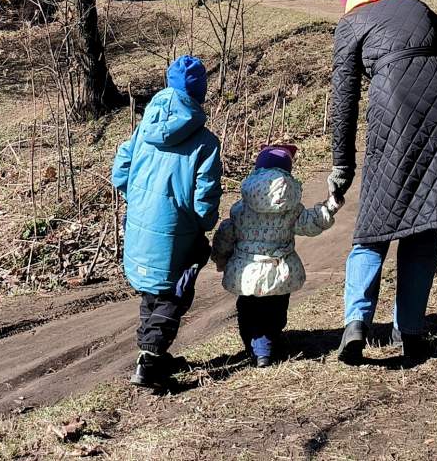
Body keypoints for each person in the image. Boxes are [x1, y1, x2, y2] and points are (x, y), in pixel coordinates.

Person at [328, 0, 437, 365]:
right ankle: (411, 331)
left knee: (373, 228)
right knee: (424, 223)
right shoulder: (419, 8)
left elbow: (343, 102)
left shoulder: (351, 24)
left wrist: (342, 166)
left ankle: (356, 323)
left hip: (391, 117)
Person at [111, 55, 222, 387]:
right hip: (178, 231)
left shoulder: (144, 128)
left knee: (152, 289)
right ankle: (150, 361)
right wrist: (204, 223)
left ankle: (153, 354)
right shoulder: (205, 143)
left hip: (139, 222)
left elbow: (120, 171)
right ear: (200, 94)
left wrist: (139, 200)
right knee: (174, 293)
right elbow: (205, 198)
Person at [211, 145, 342, 367]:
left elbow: (225, 235)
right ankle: (267, 344)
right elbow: (311, 223)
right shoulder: (291, 209)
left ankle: (258, 349)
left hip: (248, 273)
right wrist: (330, 207)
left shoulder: (240, 209)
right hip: (279, 271)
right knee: (275, 312)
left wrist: (220, 258)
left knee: (247, 312)